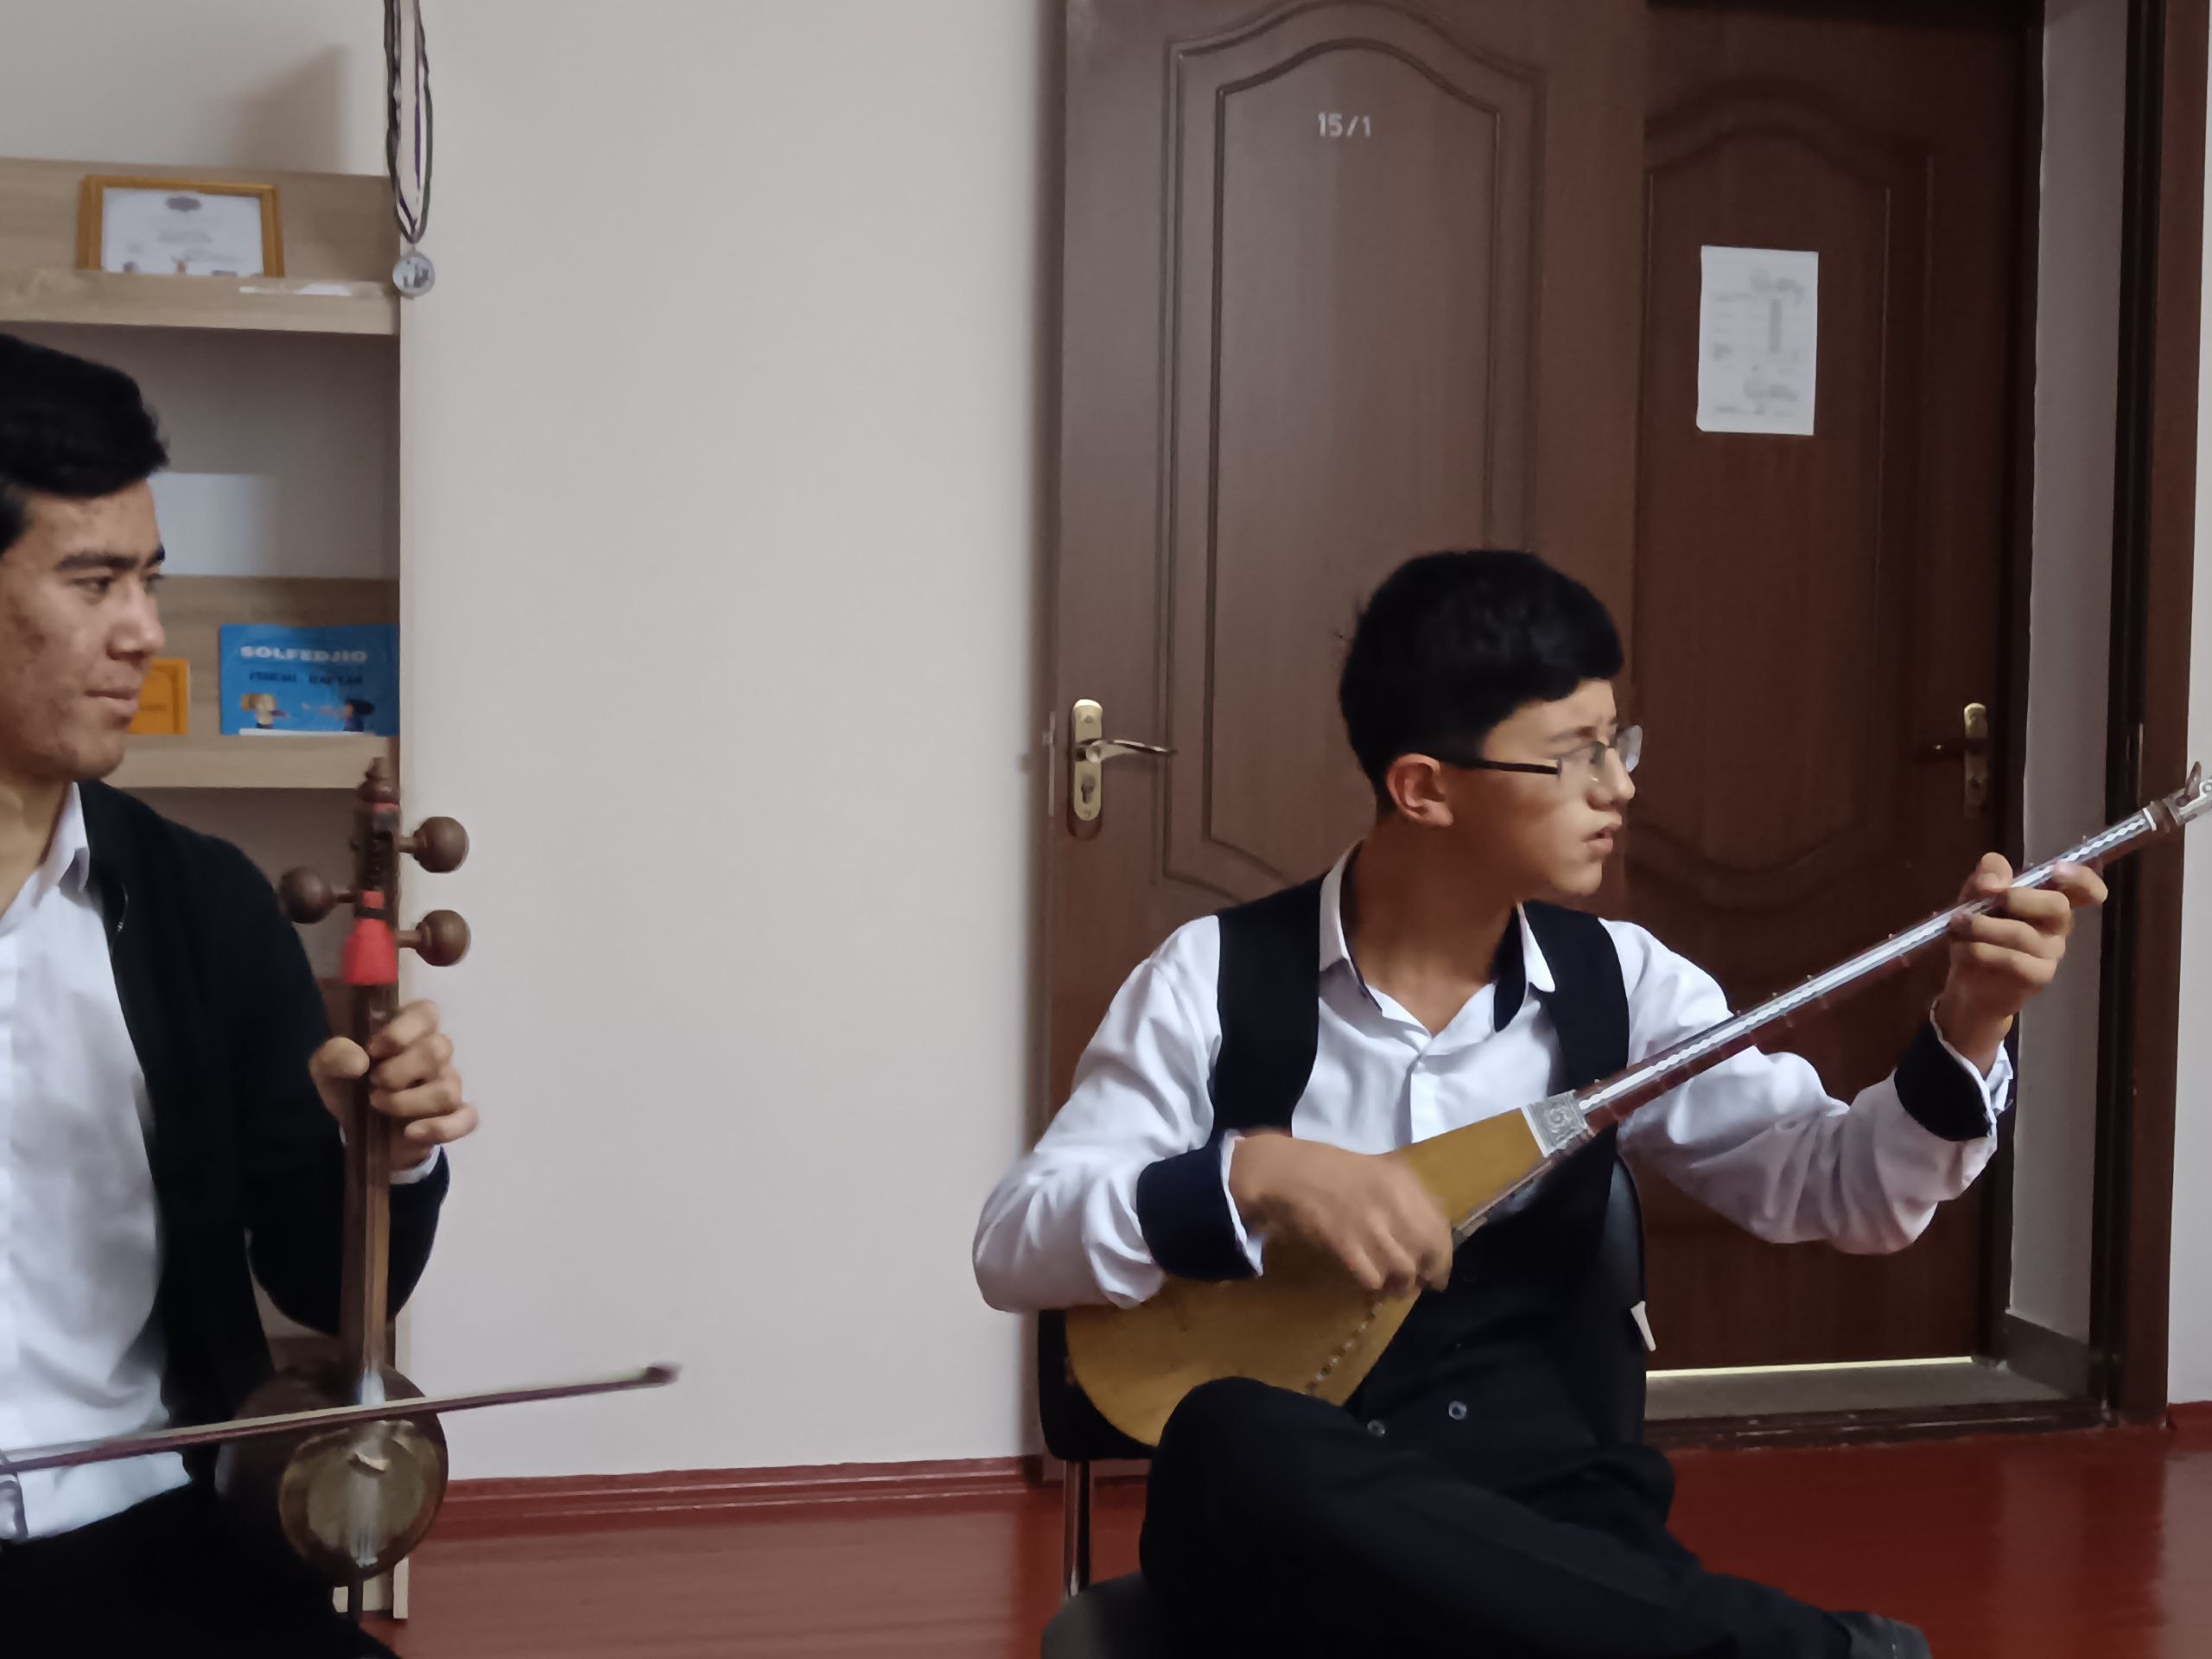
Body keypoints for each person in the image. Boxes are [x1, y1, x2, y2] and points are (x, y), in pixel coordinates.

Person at [976, 550, 2105, 1659]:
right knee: (1234, 1441)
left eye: (1618, 742)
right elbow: (1016, 1244)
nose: (1620, 788)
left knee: (1563, 1576)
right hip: (1293, 1533)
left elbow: (1849, 1191)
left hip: (1545, 1518)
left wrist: (1972, 1024)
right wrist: (1255, 1175)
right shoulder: (1211, 978)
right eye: (1574, 757)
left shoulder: (1626, 984)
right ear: (1424, 788)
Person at [0, 332, 478, 1656]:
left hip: (158, 1542)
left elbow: (320, 1285)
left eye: (149, 579)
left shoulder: (203, 905)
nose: (144, 633)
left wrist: (384, 1158)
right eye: (93, 582)